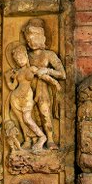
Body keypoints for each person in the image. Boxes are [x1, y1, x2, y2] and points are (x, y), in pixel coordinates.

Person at [21, 18, 66, 149]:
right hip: (28, 88)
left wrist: (47, 70)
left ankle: (50, 139)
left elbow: (62, 74)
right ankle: (31, 139)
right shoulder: (27, 56)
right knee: (29, 115)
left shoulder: (49, 55)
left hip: (43, 89)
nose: (31, 42)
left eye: (34, 38)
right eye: (28, 40)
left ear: (42, 38)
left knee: (45, 113)